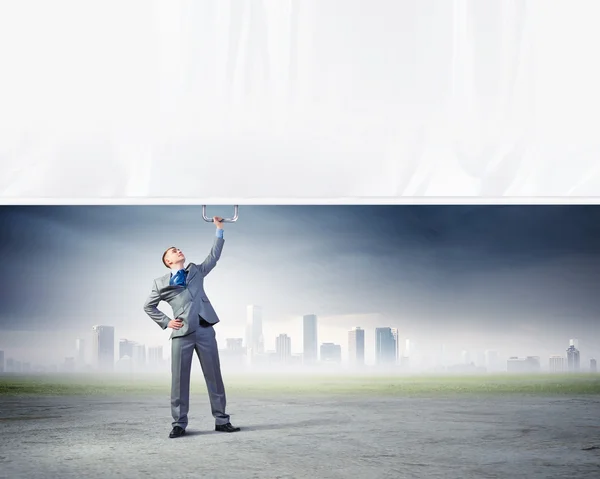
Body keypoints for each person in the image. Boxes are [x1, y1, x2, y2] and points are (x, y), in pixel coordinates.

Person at [143, 216, 240, 438]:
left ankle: (222, 420)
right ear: (168, 261)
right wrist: (167, 322)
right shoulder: (160, 283)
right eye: (173, 251)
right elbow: (148, 306)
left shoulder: (196, 270)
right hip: (181, 334)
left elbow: (213, 258)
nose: (178, 251)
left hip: (205, 329)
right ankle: (179, 424)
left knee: (214, 376)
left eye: (179, 249)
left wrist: (219, 229)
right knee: (179, 380)